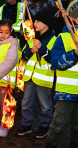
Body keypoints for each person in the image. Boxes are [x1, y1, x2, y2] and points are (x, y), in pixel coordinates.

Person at [46, 0, 78, 148]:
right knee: (59, 123)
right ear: (74, 17)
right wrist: (74, 55)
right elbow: (56, 62)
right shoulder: (64, 38)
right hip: (67, 93)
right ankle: (51, 143)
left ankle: (76, 143)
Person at [16, 8, 56, 139]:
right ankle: (26, 124)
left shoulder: (55, 40)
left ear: (47, 23)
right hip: (29, 77)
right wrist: (31, 51)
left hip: (44, 78)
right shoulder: (32, 37)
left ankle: (44, 126)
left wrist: (41, 48)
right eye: (35, 21)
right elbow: (24, 55)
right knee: (26, 103)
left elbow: (54, 59)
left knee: (45, 105)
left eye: (38, 21)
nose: (35, 23)